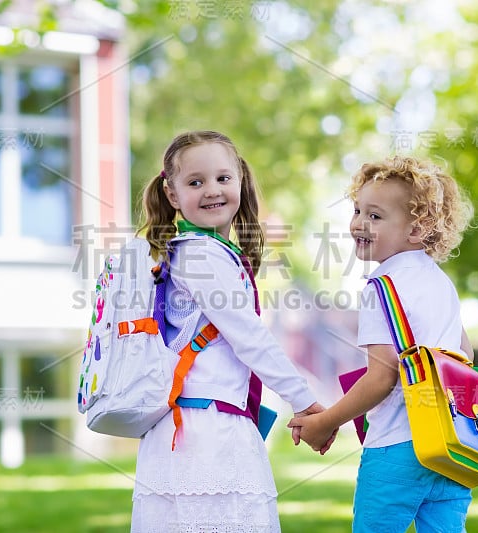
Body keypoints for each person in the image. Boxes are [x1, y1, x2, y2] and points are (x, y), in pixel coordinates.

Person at [131, 130, 325, 533]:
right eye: (195, 182)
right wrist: (306, 403)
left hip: (194, 430)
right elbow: (250, 338)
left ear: (240, 180)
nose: (212, 190)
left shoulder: (200, 251)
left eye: (223, 178)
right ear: (172, 195)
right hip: (204, 436)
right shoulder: (199, 254)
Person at [288, 155, 476, 533]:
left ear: (417, 229)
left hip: (397, 447)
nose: (359, 223)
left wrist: (326, 422)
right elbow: (465, 357)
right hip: (453, 446)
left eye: (375, 216)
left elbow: (382, 377)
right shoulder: (442, 284)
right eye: (358, 210)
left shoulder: (382, 287)